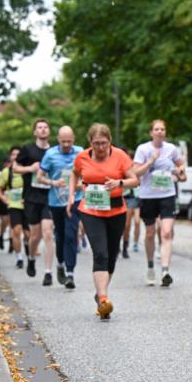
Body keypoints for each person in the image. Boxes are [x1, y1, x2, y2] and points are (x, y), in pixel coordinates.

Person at [68, 123, 139, 319]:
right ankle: (103, 299)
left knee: (111, 256)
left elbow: (135, 180)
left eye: (104, 143)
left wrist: (119, 183)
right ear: (90, 142)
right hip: (91, 210)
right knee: (100, 253)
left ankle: (100, 293)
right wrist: (71, 195)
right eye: (96, 143)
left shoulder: (120, 156)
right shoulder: (82, 157)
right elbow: (74, 174)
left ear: (110, 142)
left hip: (116, 209)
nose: (100, 147)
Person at [130, 119, 186, 286]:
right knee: (149, 233)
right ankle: (150, 266)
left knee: (166, 232)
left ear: (165, 132)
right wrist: (151, 161)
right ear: (151, 132)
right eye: (156, 129)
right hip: (147, 196)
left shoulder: (171, 149)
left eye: (162, 129)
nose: (160, 132)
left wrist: (180, 172)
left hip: (167, 195)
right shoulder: (143, 149)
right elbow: (135, 172)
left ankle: (165, 270)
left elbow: (181, 165)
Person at [39, 126, 84, 289]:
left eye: (69, 141)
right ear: (58, 139)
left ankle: (70, 273)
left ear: (74, 139)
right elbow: (39, 177)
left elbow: (87, 173)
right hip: (56, 202)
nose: (66, 144)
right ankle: (60, 263)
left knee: (71, 234)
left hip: (74, 199)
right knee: (60, 236)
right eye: (63, 141)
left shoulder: (81, 152)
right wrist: (53, 182)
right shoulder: (50, 154)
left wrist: (80, 184)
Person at [13, 118, 53, 279]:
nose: (43, 130)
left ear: (49, 131)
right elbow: (15, 168)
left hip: (50, 196)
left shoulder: (54, 151)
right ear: (35, 132)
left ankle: (48, 272)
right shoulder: (27, 149)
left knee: (48, 232)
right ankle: (30, 257)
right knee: (35, 235)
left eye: (45, 127)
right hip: (31, 197)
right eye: (39, 127)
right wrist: (30, 168)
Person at [0, 149, 27, 269]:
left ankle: (28, 247)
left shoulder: (27, 170)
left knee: (29, 234)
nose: (16, 157)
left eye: (18, 154)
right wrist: (4, 199)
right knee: (16, 231)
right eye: (13, 155)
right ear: (10, 157)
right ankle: (19, 257)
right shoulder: (6, 172)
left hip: (27, 205)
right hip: (13, 205)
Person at [122, 184, 142, 258]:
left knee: (132, 223)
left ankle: (126, 246)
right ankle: (117, 245)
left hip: (135, 198)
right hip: (122, 196)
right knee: (124, 225)